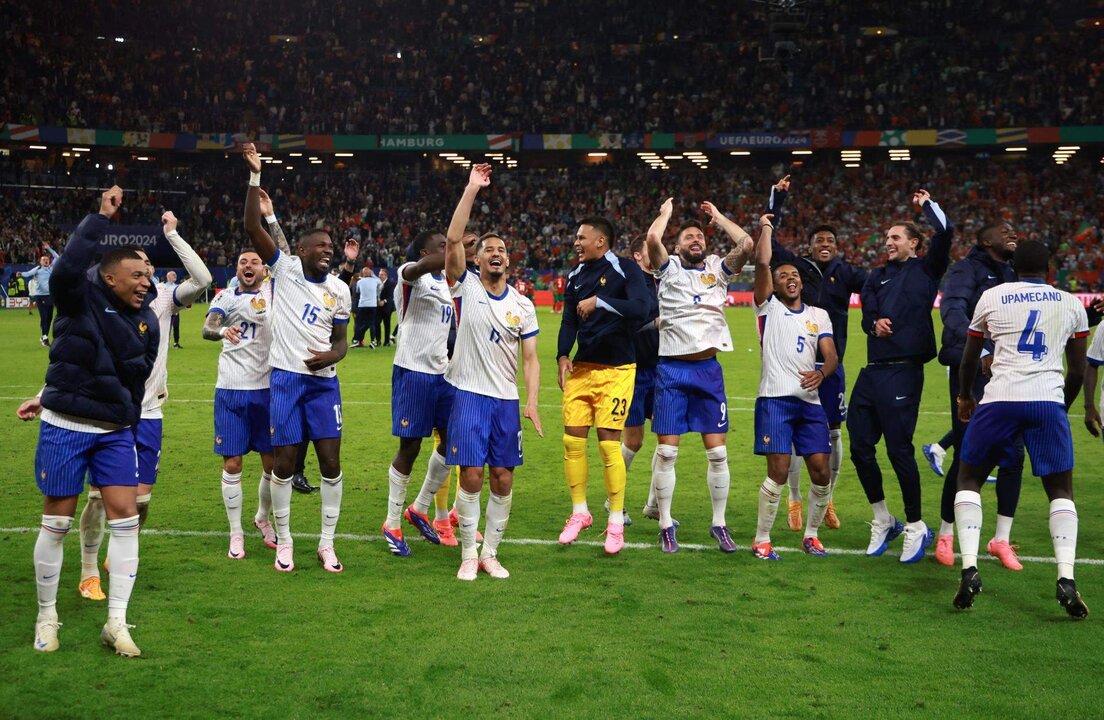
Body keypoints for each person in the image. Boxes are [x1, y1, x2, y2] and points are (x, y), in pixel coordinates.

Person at [18, 186, 157, 657]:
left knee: (125, 520)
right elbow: (66, 270)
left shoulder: (148, 322)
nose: (146, 281)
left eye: (149, 274)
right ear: (110, 277)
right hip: (66, 426)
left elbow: (134, 382)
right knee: (55, 523)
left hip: (115, 432)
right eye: (137, 274)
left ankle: (116, 622)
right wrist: (99, 218)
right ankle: (46, 617)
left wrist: (128, 421)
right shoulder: (77, 299)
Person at [76, 210, 211, 601]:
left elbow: (202, 280)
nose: (146, 272)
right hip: (107, 414)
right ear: (117, 275)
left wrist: (174, 236)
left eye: (150, 265)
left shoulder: (165, 298)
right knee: (99, 498)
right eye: (138, 267)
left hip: (149, 412)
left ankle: (116, 554)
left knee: (141, 500)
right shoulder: (101, 306)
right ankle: (89, 570)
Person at [952, 240, 1088, 619]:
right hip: (1046, 400)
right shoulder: (1072, 304)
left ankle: (969, 568)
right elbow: (1076, 371)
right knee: (1060, 489)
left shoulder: (992, 297)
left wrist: (965, 396)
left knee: (969, 479)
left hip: (999, 399)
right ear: (1050, 268)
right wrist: (1062, 406)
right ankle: (1066, 577)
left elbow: (969, 357)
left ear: (1013, 266)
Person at [241, 143, 352, 573]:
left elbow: (343, 341)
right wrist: (255, 175)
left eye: (332, 245)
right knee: (284, 464)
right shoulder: (284, 269)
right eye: (321, 245)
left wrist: (331, 354)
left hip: (325, 385)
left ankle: (327, 543)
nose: (329, 249)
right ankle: (285, 541)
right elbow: (252, 225)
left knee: (330, 462)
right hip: (286, 381)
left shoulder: (339, 290)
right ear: (302, 250)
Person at [444, 163, 542, 581]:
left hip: (505, 400)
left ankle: (491, 552)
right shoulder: (464, 286)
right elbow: (451, 238)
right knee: (471, 474)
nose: (496, 253)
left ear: (508, 259)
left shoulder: (523, 305)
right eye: (488, 249)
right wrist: (471, 188)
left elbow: (532, 358)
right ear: (476, 258)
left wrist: (533, 402)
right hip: (467, 393)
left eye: (502, 249)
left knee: (502, 477)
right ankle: (468, 552)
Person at [644, 197, 755, 553]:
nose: (696, 240)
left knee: (718, 454)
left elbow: (747, 245)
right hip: (672, 370)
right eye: (688, 236)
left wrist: (719, 216)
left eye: (699, 237)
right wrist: (665, 216)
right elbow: (651, 241)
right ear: (677, 246)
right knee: (666, 453)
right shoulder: (668, 267)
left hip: (709, 370)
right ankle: (665, 523)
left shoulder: (717, 270)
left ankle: (719, 524)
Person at [849, 190, 953, 563]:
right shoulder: (875, 277)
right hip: (872, 372)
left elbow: (946, 231)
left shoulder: (927, 268)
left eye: (896, 237)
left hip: (905, 371)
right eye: (887, 238)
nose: (888, 242)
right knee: (859, 447)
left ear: (914, 243)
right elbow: (865, 318)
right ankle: (883, 519)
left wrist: (926, 205)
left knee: (898, 451)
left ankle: (914, 525)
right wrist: (873, 323)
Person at [766, 176, 867, 531]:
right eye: (819, 240)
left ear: (837, 247)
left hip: (831, 366)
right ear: (809, 247)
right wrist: (776, 201)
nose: (825, 244)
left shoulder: (848, 273)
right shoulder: (799, 268)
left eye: (830, 240)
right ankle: (794, 501)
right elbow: (770, 241)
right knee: (796, 435)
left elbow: (876, 289)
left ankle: (826, 501)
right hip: (797, 365)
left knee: (834, 433)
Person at [556, 216, 650, 555]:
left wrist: (601, 301)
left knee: (609, 445)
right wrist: (563, 354)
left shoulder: (625, 269)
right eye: (576, 237)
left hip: (618, 370)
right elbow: (569, 319)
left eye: (582, 237)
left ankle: (614, 521)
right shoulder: (575, 276)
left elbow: (643, 308)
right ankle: (580, 512)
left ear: (602, 241)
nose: (576, 242)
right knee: (572, 441)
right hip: (583, 368)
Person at [933, 221, 1024, 568]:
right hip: (973, 369)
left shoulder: (1017, 274)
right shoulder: (966, 270)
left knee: (1013, 455)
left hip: (1011, 372)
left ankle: (1001, 539)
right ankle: (945, 533)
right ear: (986, 240)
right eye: (1005, 230)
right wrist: (982, 348)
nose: (1012, 233)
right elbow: (952, 312)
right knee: (967, 454)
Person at [750, 213, 839, 559]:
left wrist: (823, 373)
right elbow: (762, 261)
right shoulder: (767, 307)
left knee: (821, 471)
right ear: (774, 284)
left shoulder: (819, 315)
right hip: (775, 400)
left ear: (802, 283)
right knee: (779, 472)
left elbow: (830, 355)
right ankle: (761, 539)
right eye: (783, 275)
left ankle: (812, 535)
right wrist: (767, 228)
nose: (790, 278)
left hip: (810, 402)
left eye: (795, 275)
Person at [379, 230, 456, 555]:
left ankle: (419, 507)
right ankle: (392, 522)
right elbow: (417, 268)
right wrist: (453, 251)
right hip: (413, 372)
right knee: (409, 447)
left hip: (443, 374)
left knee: (453, 442)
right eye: (442, 245)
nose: (447, 249)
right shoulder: (411, 276)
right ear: (425, 251)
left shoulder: (447, 285)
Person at [202, 250, 275, 559]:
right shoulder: (225, 298)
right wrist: (222, 331)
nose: (248, 265)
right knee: (232, 464)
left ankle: (262, 517)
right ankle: (236, 533)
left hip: (267, 390)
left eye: (254, 261)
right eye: (243, 261)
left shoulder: (275, 294)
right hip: (230, 390)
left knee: (273, 465)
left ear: (264, 269)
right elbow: (207, 328)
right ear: (237, 269)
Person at [621, 235, 661, 524]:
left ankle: (655, 504)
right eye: (651, 248)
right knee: (633, 441)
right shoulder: (631, 284)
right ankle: (615, 502)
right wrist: (655, 323)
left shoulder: (665, 279)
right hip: (633, 370)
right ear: (637, 255)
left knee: (668, 439)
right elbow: (626, 326)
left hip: (663, 370)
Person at [22, 242, 60, 345]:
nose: (46, 261)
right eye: (44, 260)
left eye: (47, 259)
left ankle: (44, 337)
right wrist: (20, 274)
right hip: (40, 296)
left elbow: (57, 257)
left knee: (49, 318)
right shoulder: (38, 270)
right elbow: (28, 274)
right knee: (43, 317)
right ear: (40, 262)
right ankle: (45, 337)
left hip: (50, 296)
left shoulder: (51, 268)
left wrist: (49, 248)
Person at [352, 268, 381, 348]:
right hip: (372, 305)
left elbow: (358, 291)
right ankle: (372, 341)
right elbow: (380, 282)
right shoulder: (375, 281)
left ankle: (356, 340)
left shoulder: (360, 282)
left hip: (362, 304)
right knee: (372, 324)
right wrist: (373, 274)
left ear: (363, 273)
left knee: (358, 323)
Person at [164, 271, 183, 348]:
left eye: (175, 275)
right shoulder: (164, 287)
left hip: (175, 309)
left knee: (176, 325)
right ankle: (165, 342)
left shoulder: (177, 286)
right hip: (167, 309)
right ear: (168, 277)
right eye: (173, 275)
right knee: (166, 326)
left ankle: (176, 342)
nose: (175, 276)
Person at [378, 268, 396, 345]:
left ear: (385, 275)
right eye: (379, 274)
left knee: (387, 324)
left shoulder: (391, 283)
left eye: (381, 274)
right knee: (376, 323)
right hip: (378, 306)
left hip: (387, 307)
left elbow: (391, 296)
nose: (379, 276)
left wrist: (384, 301)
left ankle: (386, 341)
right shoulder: (377, 283)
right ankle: (378, 340)